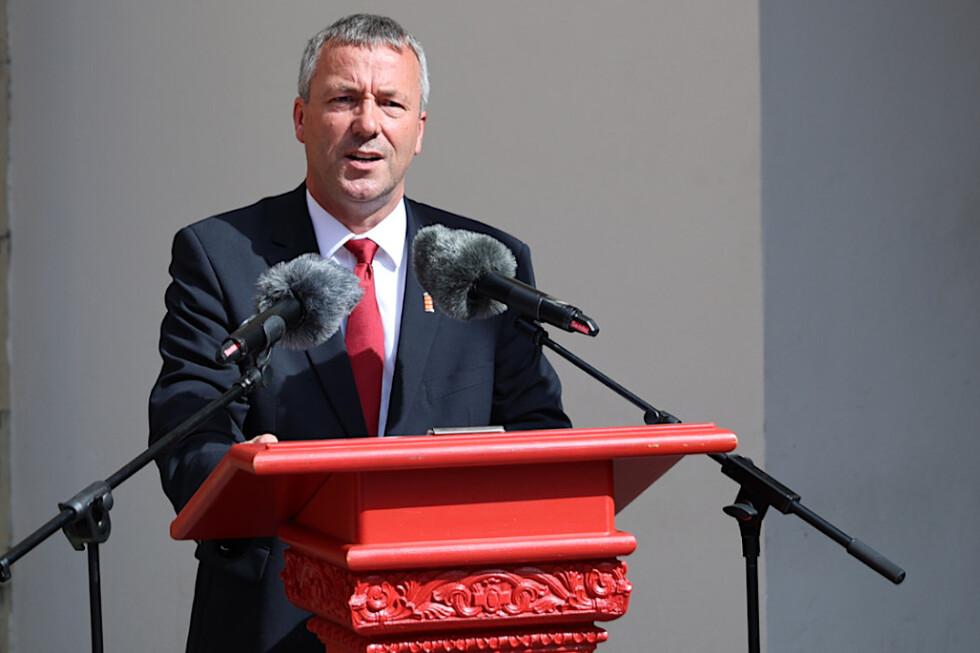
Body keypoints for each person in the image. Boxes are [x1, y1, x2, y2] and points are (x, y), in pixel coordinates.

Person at [148, 13, 570, 653]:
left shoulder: (483, 265)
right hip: (276, 619)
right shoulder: (221, 255)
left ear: (418, 130)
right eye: (344, 99)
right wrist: (246, 477)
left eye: (391, 103)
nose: (367, 123)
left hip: (450, 613)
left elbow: (540, 432)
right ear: (300, 119)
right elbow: (188, 426)